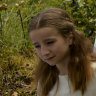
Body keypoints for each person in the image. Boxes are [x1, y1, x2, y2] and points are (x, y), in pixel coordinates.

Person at [28, 8, 96, 96]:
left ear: (69, 38)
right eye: (37, 46)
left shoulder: (92, 72)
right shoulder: (45, 80)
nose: (44, 52)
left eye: (50, 42)